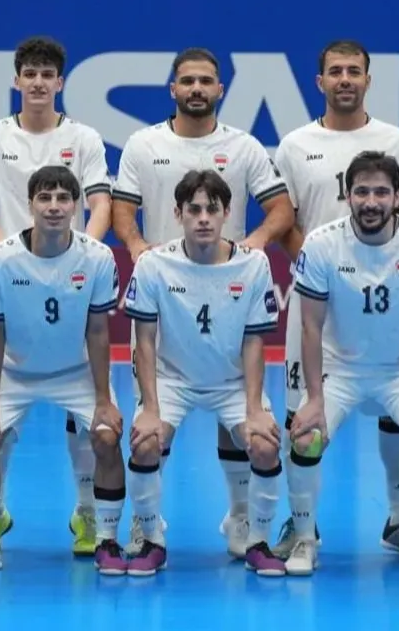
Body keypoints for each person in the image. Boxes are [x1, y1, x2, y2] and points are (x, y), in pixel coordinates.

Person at [112, 47, 295, 557]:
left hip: (226, 293)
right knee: (149, 431)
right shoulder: (144, 143)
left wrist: (253, 245)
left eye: (206, 81)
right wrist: (138, 247)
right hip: (166, 297)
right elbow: (123, 208)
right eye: (187, 81)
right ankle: (146, 527)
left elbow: (280, 208)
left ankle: (242, 519)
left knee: (243, 429)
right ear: (173, 88)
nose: (196, 88)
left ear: (220, 89)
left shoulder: (243, 146)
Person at [270, 39, 399, 562]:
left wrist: (382, 272)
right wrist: (323, 272)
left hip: (386, 303)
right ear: (320, 82)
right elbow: (284, 219)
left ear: (367, 80)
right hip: (316, 302)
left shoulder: (396, 141)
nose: (344, 80)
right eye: (335, 71)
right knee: (303, 418)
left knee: (396, 410)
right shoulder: (295, 144)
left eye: (354, 71)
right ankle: (302, 527)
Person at [0, 36, 114, 556]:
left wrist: (79, 255)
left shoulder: (84, 137)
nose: (37, 82)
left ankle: (89, 513)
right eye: (29, 73)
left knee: (87, 422)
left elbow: (100, 202)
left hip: (72, 278)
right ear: (16, 80)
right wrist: (11, 257)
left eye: (47, 74)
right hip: (15, 282)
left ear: (60, 82)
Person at [285, 152, 399, 577]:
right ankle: (304, 537)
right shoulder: (321, 243)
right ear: (347, 195)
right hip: (340, 370)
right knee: (305, 439)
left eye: (381, 192)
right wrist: (314, 399)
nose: (371, 202)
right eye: (362, 192)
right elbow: (310, 327)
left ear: (398, 195)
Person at [0, 165, 125, 575]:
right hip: (15, 373)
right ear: (29, 204)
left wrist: (104, 399)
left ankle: (106, 539)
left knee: (107, 437)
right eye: (44, 198)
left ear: (76, 206)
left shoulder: (97, 258)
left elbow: (98, 331)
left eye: (63, 198)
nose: (54, 207)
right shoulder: (2, 258)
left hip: (77, 372)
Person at [124, 169, 285, 576]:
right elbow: (145, 341)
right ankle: (150, 537)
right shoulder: (153, 265)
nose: (203, 218)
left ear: (227, 213)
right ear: (177, 214)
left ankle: (256, 539)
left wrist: (254, 409)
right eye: (193, 210)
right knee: (145, 443)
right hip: (172, 379)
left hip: (231, 382)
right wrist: (150, 408)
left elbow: (254, 342)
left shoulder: (253, 265)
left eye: (212, 210)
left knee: (266, 444)